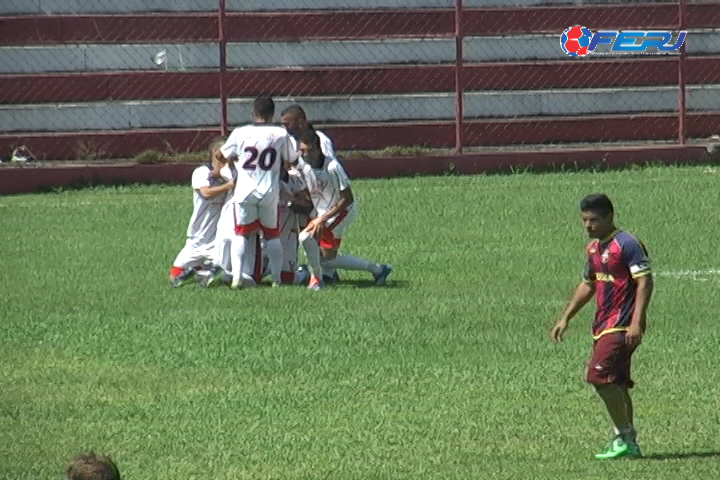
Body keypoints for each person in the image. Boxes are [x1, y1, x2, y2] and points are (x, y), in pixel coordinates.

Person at [550, 194, 653, 459]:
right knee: (616, 382)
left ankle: (625, 435)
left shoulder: (627, 244)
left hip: (621, 325)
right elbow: (589, 283)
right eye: (584, 220)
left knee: (597, 376)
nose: (587, 226)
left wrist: (637, 321)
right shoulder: (594, 248)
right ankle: (628, 443)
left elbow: (644, 282)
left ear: (609, 217)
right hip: (602, 325)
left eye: (593, 220)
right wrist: (566, 317)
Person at [214, 96, 295, 289]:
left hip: (244, 191)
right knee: (272, 235)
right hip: (269, 191)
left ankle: (237, 278)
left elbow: (220, 154)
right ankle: (276, 279)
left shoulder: (241, 132)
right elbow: (291, 158)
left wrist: (234, 164)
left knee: (241, 234)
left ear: (253, 113)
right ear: (272, 113)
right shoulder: (280, 133)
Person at [296, 130, 392, 290]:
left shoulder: (333, 167)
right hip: (322, 212)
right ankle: (378, 270)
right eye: (303, 151)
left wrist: (322, 219)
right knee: (322, 255)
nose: (306, 155)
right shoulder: (303, 164)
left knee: (311, 243)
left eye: (310, 150)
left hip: (340, 212)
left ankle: (317, 279)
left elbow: (347, 198)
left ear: (319, 149)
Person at [281, 104, 341, 284]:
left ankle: (329, 272)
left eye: (287, 124)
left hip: (325, 198)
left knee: (325, 246)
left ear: (300, 122)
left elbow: (324, 168)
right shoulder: (292, 141)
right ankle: (315, 271)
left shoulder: (320, 140)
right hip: (305, 194)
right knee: (306, 235)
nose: (284, 128)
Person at [169, 137, 234, 287]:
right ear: (217, 153)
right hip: (196, 239)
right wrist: (229, 186)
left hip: (217, 240)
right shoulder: (202, 172)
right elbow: (206, 193)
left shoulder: (231, 174)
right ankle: (200, 273)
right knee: (174, 277)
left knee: (226, 276)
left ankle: (209, 273)